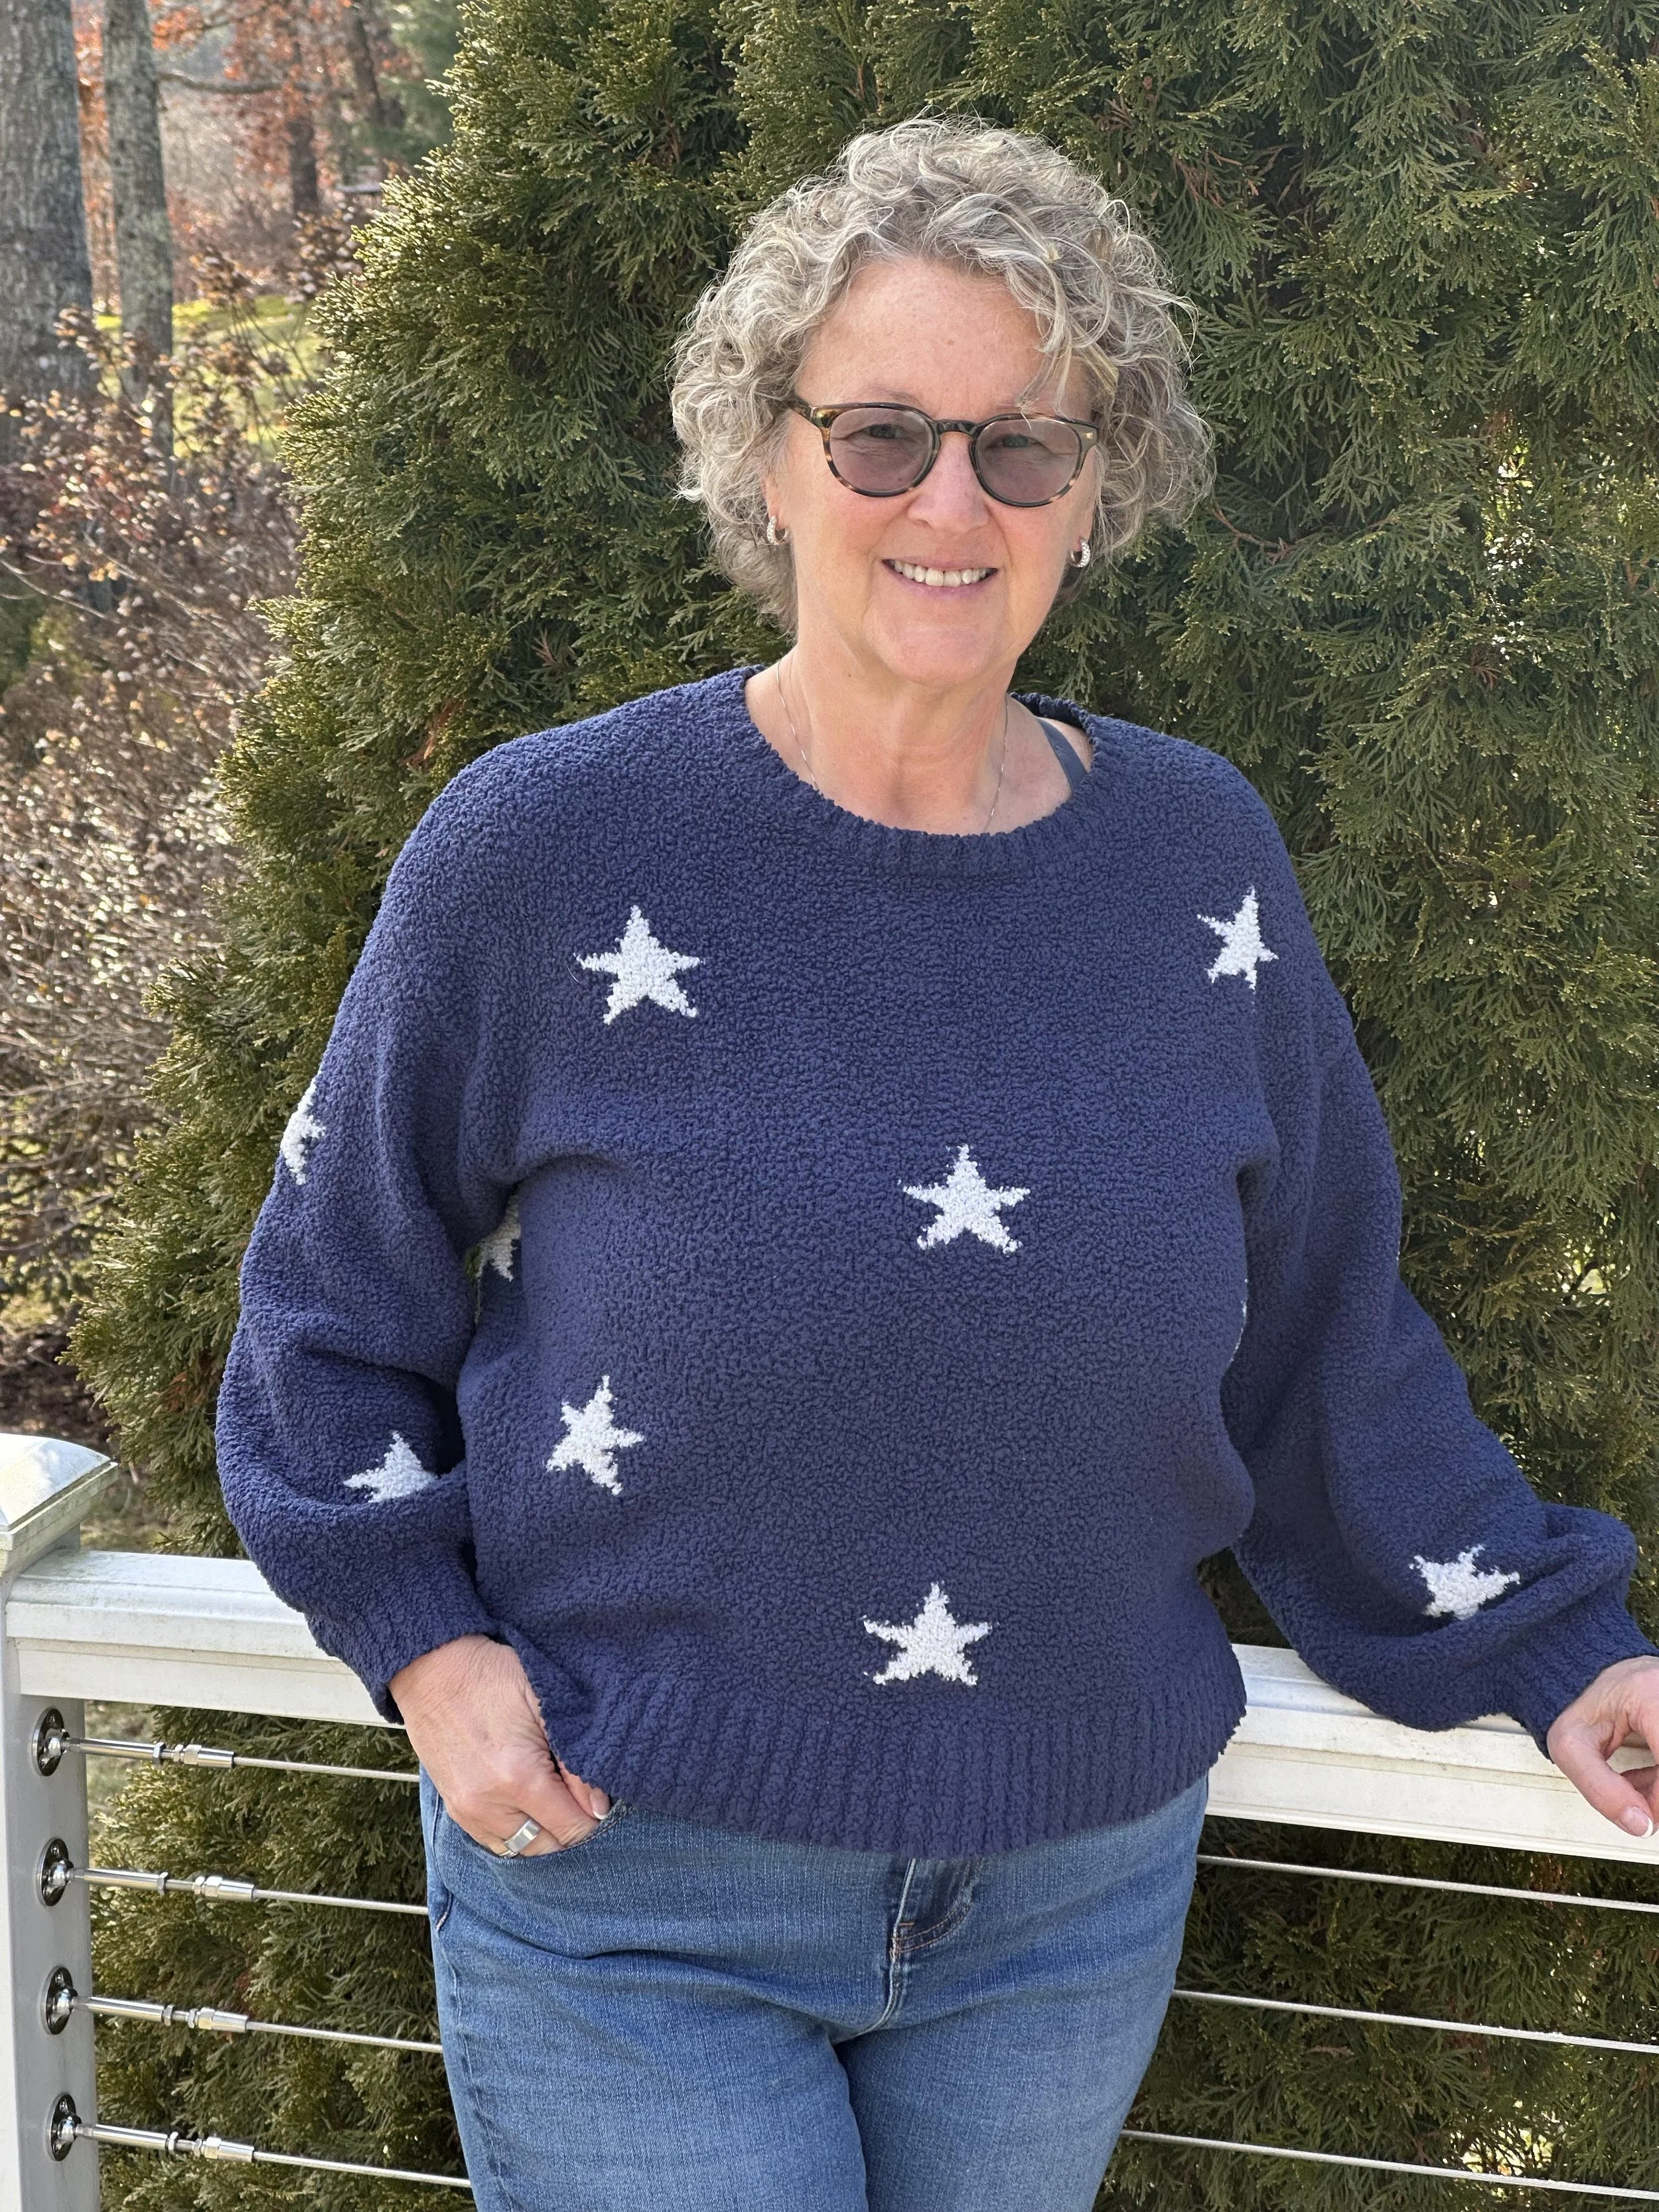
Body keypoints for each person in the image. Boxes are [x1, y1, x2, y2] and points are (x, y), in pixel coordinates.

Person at [215, 117, 1659, 2212]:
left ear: (1101, 479)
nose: (948, 503)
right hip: (633, 1872)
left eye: (1020, 445)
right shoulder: (545, 849)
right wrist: (425, 1648)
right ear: (770, 457)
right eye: (881, 435)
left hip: (1069, 1896)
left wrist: (1547, 1641)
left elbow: (1322, 1329)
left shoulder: (1193, 859)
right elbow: (328, 1309)